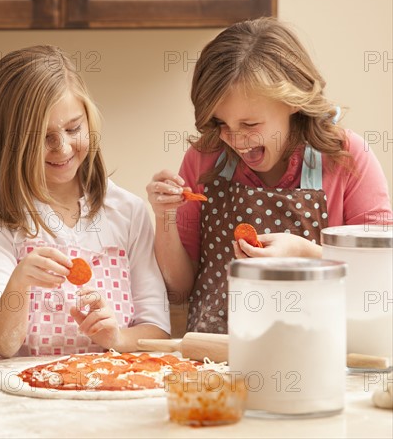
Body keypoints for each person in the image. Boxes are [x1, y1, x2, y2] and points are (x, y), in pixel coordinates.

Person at [146, 17, 392, 334]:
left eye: (250, 125)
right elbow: (179, 288)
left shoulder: (346, 157)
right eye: (222, 123)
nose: (235, 139)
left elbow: (380, 276)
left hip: (317, 355)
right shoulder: (204, 159)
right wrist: (164, 217)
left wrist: (306, 254)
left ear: (293, 102)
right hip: (217, 357)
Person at [0, 45, 170, 358]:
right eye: (42, 138)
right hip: (27, 396)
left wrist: (116, 337)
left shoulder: (128, 213)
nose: (62, 148)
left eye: (74, 128)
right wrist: (20, 282)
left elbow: (157, 332)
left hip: (113, 386)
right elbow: (2, 345)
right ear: (10, 142)